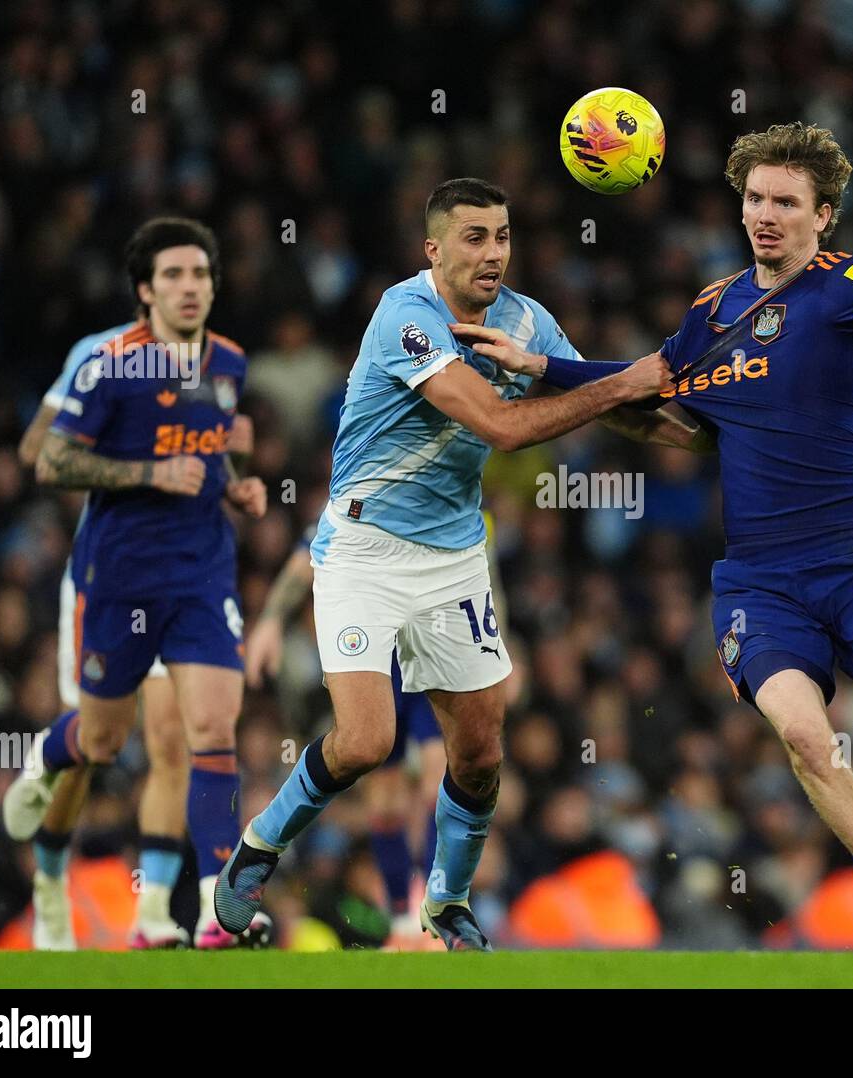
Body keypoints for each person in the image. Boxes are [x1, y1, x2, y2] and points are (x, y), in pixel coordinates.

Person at [468, 123, 853, 955]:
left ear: (823, 217)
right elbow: (642, 381)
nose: (766, 215)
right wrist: (538, 366)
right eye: (754, 199)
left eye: (785, 202)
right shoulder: (713, 311)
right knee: (807, 738)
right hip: (762, 581)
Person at [214, 178, 670, 950]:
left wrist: (714, 428)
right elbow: (500, 424)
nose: (493, 252)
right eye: (474, 238)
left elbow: (623, 407)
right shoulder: (407, 316)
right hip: (364, 549)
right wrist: (622, 380)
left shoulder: (529, 320)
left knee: (481, 752)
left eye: (502, 236)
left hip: (454, 555)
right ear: (434, 249)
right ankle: (257, 847)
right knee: (365, 743)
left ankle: (447, 902)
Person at [2, 217, 269, 949]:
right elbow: (48, 460)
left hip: (200, 573)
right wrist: (149, 472)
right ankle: (47, 807)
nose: (191, 288)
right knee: (101, 742)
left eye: (202, 275)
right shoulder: (105, 361)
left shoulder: (230, 364)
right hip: (115, 577)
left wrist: (237, 487)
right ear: (145, 291)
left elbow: (212, 454)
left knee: (204, 732)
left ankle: (214, 903)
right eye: (174, 276)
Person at [244, 527, 446, 949]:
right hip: (377, 653)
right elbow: (306, 557)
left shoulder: (442, 488)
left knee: (439, 778)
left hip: (431, 640)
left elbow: (478, 569)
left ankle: (435, 912)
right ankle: (402, 918)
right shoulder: (361, 488)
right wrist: (270, 621)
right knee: (386, 793)